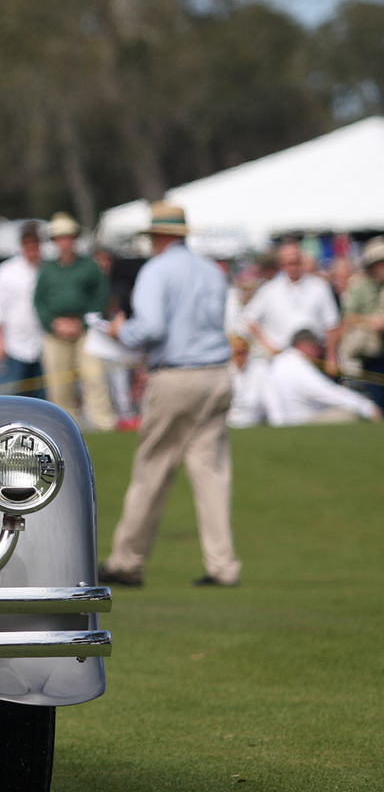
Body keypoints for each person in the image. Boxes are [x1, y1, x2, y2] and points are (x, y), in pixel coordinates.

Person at [99, 201, 240, 588]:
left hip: (177, 375)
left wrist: (119, 333)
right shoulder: (212, 271)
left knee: (153, 468)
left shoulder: (157, 270)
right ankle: (223, 565)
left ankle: (127, 561)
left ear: (158, 237)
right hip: (217, 374)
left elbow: (151, 328)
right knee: (211, 472)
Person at [33, 212, 115, 430]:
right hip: (55, 331)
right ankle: (64, 427)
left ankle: (103, 425)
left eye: (68, 236)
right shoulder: (47, 268)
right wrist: (53, 324)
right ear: (55, 241)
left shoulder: (89, 265)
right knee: (59, 382)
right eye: (60, 237)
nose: (64, 242)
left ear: (75, 238)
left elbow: (100, 297)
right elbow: (39, 301)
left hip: (84, 329)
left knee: (94, 377)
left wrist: (83, 323)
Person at [239, 238, 341, 374]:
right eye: (289, 263)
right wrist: (268, 344)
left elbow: (332, 323)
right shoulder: (270, 290)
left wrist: (331, 356)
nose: (293, 266)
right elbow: (249, 319)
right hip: (282, 358)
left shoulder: (319, 286)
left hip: (314, 357)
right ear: (281, 264)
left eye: (296, 261)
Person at [263, 329, 381, 426]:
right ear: (306, 345)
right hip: (300, 423)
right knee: (348, 415)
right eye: (316, 347)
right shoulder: (296, 366)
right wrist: (367, 407)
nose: (319, 352)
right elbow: (327, 392)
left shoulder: (279, 363)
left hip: (283, 422)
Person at [0, 222, 46, 397]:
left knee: (42, 397)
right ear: (22, 244)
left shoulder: (48, 269)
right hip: (14, 344)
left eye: (36, 242)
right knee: (11, 394)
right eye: (28, 242)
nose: (33, 247)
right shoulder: (6, 271)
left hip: (42, 343)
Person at [339, 236, 384, 410]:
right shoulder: (361, 288)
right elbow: (348, 318)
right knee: (377, 397)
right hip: (371, 352)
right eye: (378, 263)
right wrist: (371, 321)